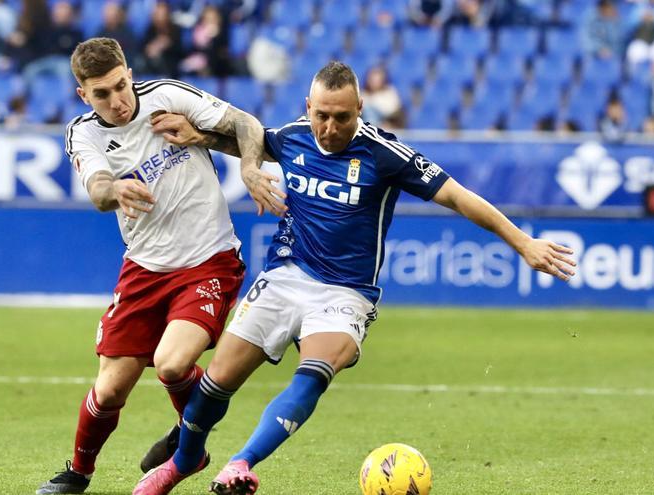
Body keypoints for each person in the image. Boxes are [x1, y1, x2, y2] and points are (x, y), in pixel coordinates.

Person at [133, 61, 576, 495]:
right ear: (307, 106)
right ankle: (185, 460)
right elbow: (253, 141)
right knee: (216, 382)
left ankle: (241, 463)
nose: (329, 127)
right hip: (285, 277)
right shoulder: (293, 137)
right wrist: (202, 136)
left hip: (346, 293)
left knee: (314, 372)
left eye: (342, 117)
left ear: (361, 107)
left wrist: (523, 243)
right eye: (321, 115)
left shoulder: (385, 154)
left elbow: (458, 196)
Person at [35, 37, 283, 495]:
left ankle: (188, 444)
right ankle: (79, 473)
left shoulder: (167, 96)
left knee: (171, 364)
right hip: (143, 270)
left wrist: (248, 168)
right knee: (109, 391)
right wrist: (115, 191)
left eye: (119, 86)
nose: (116, 101)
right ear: (83, 96)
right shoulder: (83, 132)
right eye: (101, 94)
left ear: (129, 72)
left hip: (208, 261)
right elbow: (96, 189)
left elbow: (246, 124)